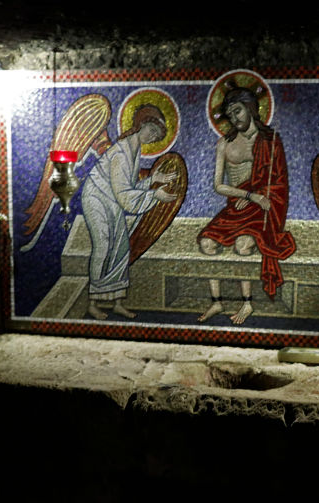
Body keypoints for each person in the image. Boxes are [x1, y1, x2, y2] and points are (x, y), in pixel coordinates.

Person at [197, 88, 295, 325]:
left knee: (242, 245)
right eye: (230, 114)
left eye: (238, 110)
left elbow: (279, 183)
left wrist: (258, 197)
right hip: (239, 205)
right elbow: (219, 185)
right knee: (206, 242)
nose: (235, 118)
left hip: (261, 210)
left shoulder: (270, 140)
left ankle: (248, 302)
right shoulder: (225, 143)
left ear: (250, 108)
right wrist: (249, 194)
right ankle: (217, 301)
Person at [83, 104, 178, 320]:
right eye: (152, 130)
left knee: (121, 247)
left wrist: (153, 180)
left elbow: (129, 186)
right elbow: (126, 197)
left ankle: (117, 301)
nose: (153, 137)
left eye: (157, 136)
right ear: (141, 124)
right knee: (103, 245)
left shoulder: (134, 149)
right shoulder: (122, 153)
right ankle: (92, 303)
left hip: (112, 198)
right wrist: (155, 195)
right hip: (96, 197)